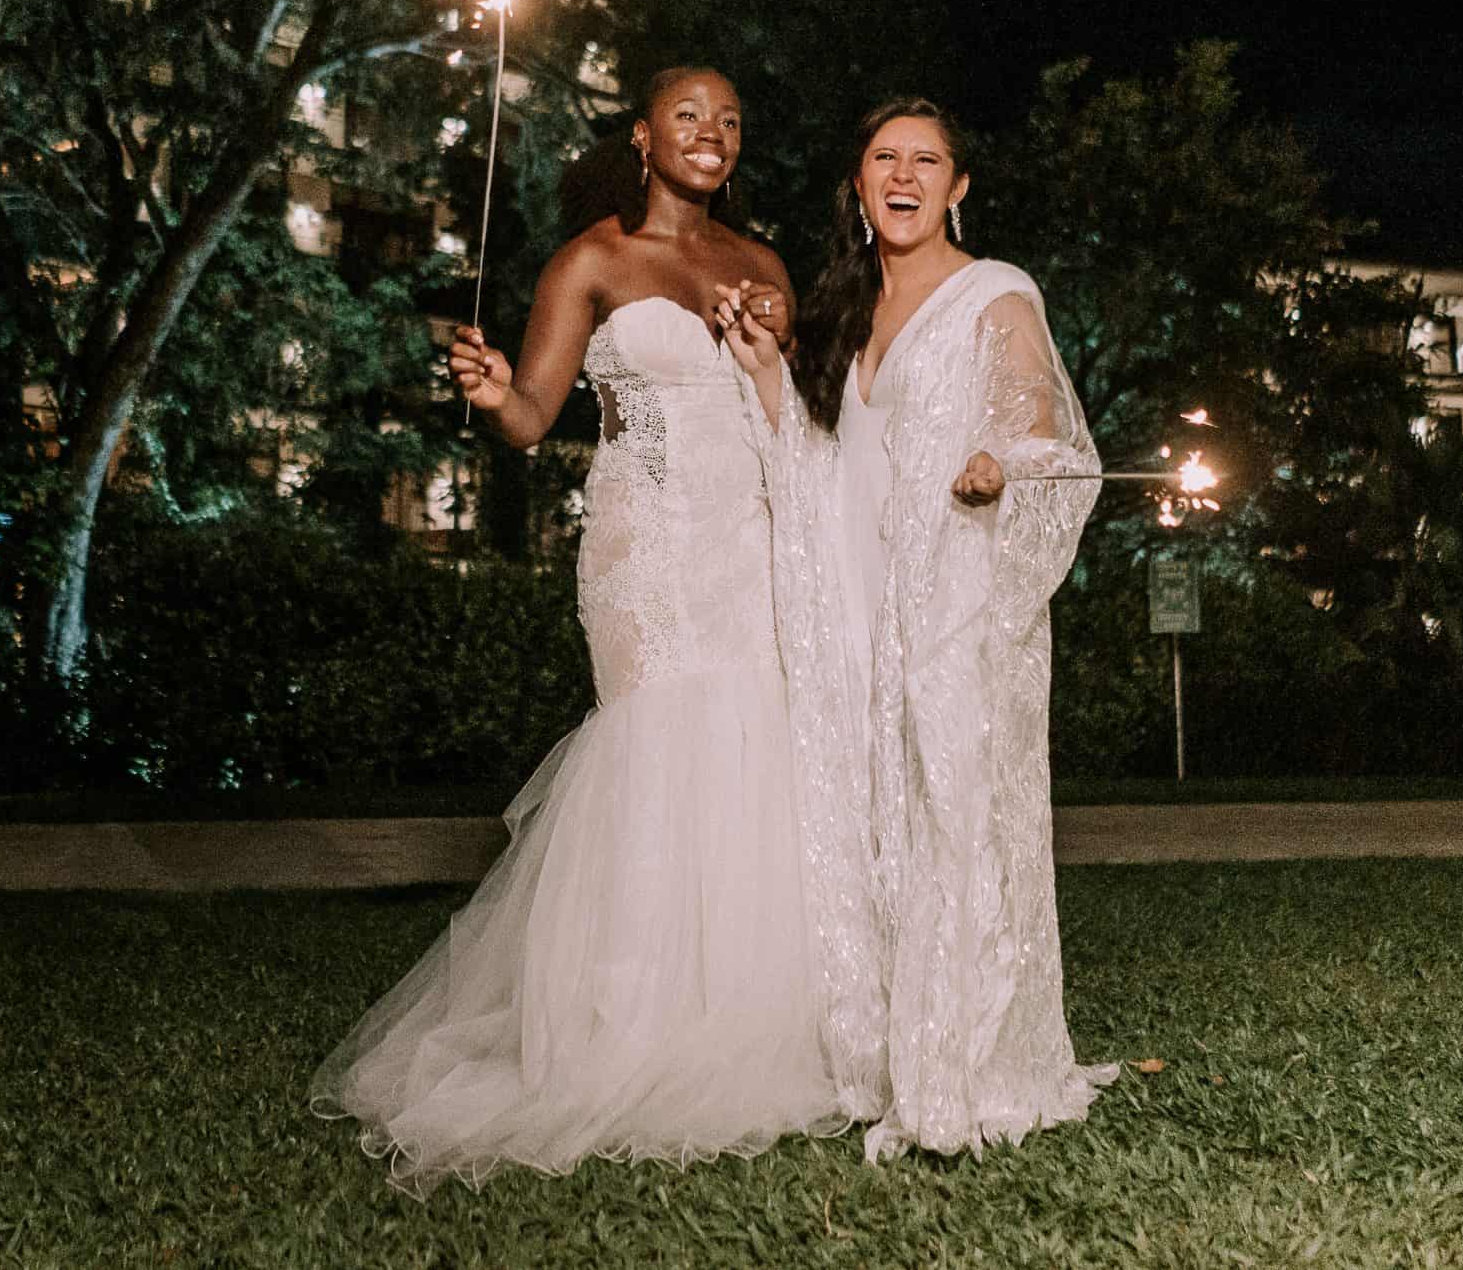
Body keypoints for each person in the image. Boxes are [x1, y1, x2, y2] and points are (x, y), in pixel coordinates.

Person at [309, 67, 844, 1192]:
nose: (710, 132)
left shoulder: (763, 264)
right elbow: (529, 419)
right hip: (644, 547)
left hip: (749, 541)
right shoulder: (591, 260)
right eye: (688, 115)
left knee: (752, 748)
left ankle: (744, 1018)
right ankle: (626, 1026)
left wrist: (772, 350)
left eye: (729, 120)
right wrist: (494, 388)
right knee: (652, 748)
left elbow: (789, 420)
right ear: (645, 137)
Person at [720, 96, 1114, 1162]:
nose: (903, 175)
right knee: (864, 812)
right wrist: (763, 369)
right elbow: (822, 461)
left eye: (926, 160)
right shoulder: (847, 310)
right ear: (858, 183)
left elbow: (1043, 432)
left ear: (959, 185)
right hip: (855, 599)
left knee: (953, 808)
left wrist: (1000, 463)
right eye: (884, 158)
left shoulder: (996, 293)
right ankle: (878, 1048)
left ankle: (967, 1063)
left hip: (952, 598)